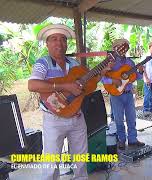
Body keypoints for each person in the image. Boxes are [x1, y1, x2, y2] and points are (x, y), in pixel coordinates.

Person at [28, 24, 113, 180]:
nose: (59, 43)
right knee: (51, 163)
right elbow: (32, 85)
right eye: (54, 39)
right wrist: (65, 86)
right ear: (47, 43)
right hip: (54, 119)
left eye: (63, 39)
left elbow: (88, 85)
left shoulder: (74, 64)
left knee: (80, 160)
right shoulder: (43, 63)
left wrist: (101, 73)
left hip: (76, 116)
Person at [102, 38, 145, 150]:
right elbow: (103, 79)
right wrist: (113, 81)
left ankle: (133, 139)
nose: (122, 49)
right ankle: (121, 140)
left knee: (132, 117)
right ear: (114, 48)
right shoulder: (109, 62)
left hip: (128, 93)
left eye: (124, 47)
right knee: (118, 119)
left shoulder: (130, 62)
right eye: (119, 47)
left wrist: (140, 71)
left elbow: (136, 77)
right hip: (116, 94)